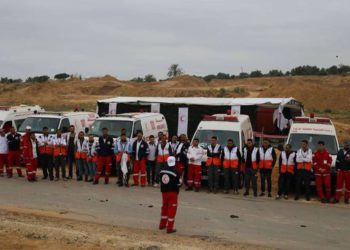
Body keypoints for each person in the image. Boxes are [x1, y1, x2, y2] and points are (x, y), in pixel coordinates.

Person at [159, 156, 181, 234]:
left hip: (164, 192)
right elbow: (178, 184)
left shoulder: (161, 171)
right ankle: (169, 228)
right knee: (172, 210)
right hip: (172, 193)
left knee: (164, 207)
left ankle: (162, 225)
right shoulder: (176, 173)